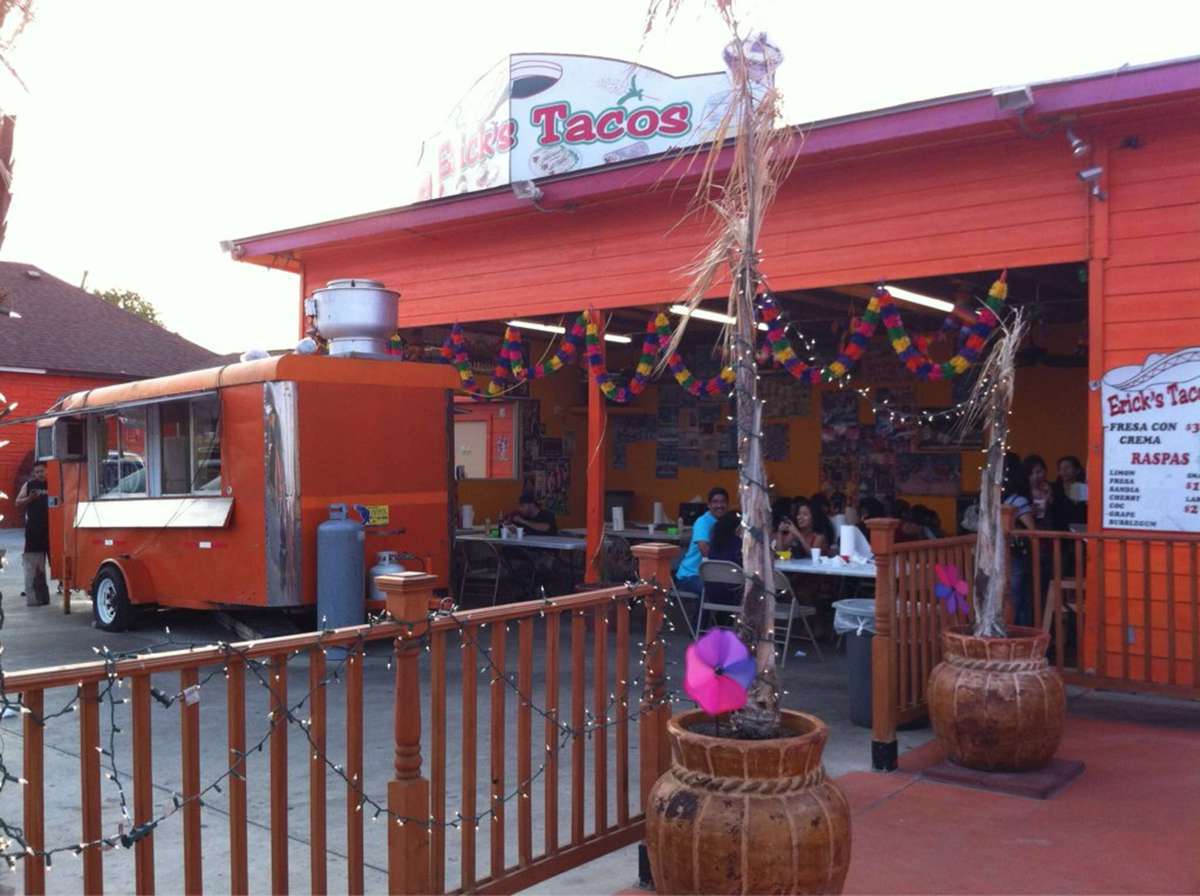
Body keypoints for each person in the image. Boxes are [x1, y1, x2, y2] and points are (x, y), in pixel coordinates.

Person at [1002, 451, 1037, 626]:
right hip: (1015, 554)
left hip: (1001, 553)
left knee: (1011, 596)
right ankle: (1019, 632)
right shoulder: (1018, 501)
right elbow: (1031, 529)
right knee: (1018, 597)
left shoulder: (997, 498)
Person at [674, 486, 729, 596]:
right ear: (709, 505)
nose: (719, 505)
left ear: (728, 504)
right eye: (715, 502)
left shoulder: (727, 521)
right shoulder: (703, 522)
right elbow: (704, 549)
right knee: (713, 590)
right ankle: (700, 614)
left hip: (715, 574)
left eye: (723, 502)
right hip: (690, 576)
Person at [14, 462, 51, 611]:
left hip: (52, 529)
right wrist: (30, 498)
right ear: (33, 474)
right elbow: (17, 502)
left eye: (41, 471)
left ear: (46, 471)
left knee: (56, 560)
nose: (39, 474)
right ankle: (33, 591)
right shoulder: (29, 485)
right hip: (34, 530)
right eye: (37, 472)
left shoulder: (53, 482)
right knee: (34, 563)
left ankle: (62, 586)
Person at [1051, 455, 1087, 531]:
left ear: (1077, 470)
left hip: (1081, 532)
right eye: (1060, 469)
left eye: (1067, 468)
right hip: (1060, 533)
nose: (1064, 471)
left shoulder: (1084, 489)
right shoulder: (1054, 489)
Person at [1024, 454, 1053, 528]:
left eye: (1039, 472)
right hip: (1030, 533)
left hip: (1051, 532)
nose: (1035, 476)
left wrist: (1050, 499)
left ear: (1045, 471)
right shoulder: (1023, 493)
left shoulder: (1054, 488)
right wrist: (1027, 511)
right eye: (1030, 474)